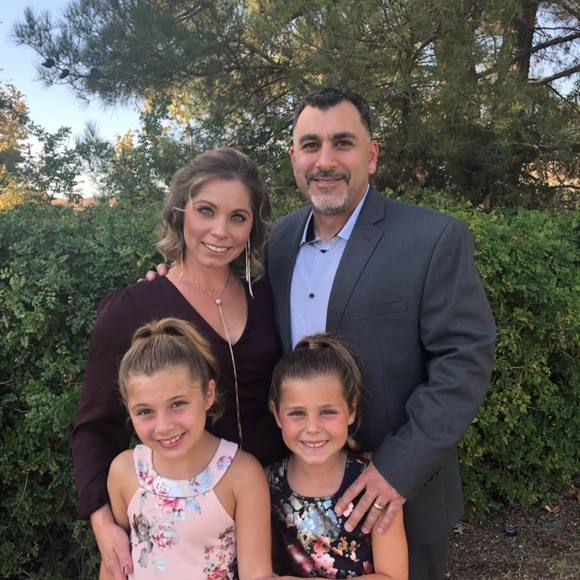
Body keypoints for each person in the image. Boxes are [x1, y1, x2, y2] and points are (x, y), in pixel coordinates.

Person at [264, 88, 496, 579]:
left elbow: (464, 360)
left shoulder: (432, 238)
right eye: (310, 145)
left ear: (371, 155)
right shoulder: (276, 242)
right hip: (296, 512)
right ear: (294, 158)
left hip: (398, 502)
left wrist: (398, 467)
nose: (325, 161)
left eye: (342, 143)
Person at [73, 148, 287, 579]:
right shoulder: (134, 307)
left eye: (238, 217)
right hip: (187, 531)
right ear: (180, 211)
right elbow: (96, 425)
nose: (220, 230)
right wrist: (102, 521)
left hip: (275, 511)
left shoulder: (267, 296)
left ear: (253, 226)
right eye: (206, 210)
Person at [106, 317, 272, 579]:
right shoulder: (124, 471)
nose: (164, 426)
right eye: (145, 411)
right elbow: (114, 562)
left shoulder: (242, 474)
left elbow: (257, 575)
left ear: (208, 394)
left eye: (178, 404)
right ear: (128, 409)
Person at [267, 333, 408, 579]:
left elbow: (393, 576)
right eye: (297, 413)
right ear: (277, 414)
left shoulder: (375, 485)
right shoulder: (266, 483)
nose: (312, 428)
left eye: (327, 412)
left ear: (351, 410)